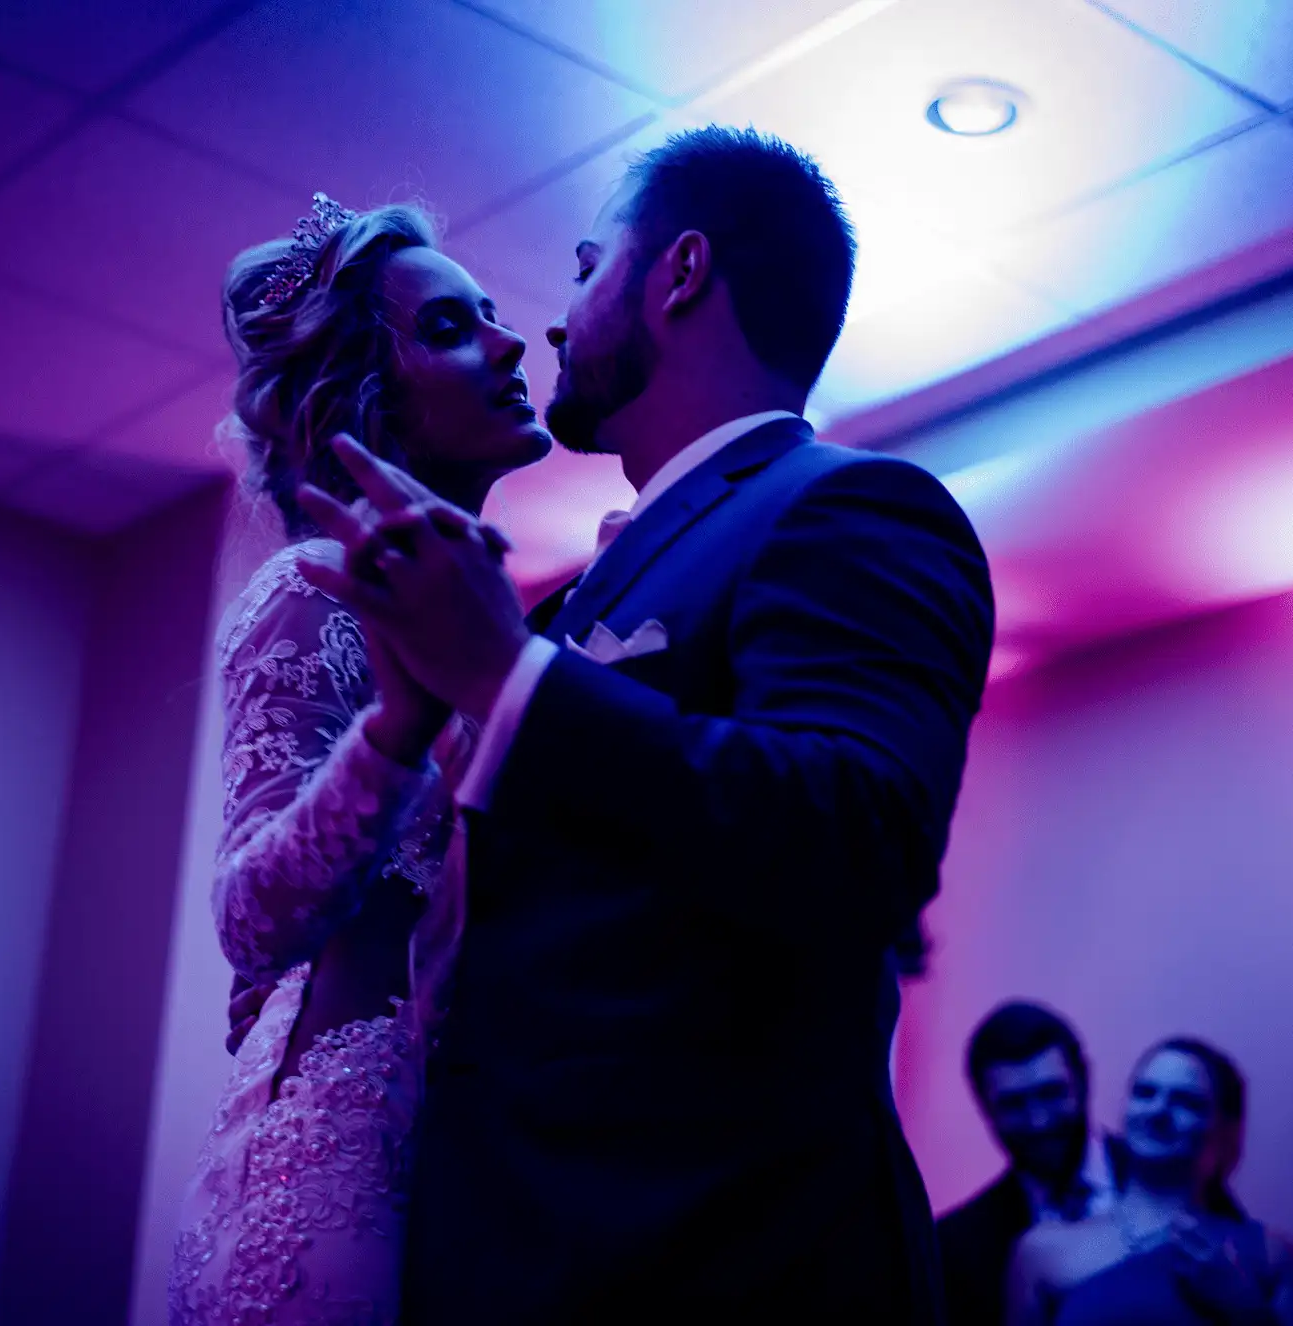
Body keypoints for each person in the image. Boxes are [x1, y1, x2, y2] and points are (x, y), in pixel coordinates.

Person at [296, 125, 996, 1323]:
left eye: (583, 265)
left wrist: (512, 679)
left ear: (675, 273)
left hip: (720, 1268)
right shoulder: (572, 596)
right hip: (520, 1258)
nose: (556, 321)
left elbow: (862, 833)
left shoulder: (851, 508)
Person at [166, 194, 551, 1326]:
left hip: (461, 1144)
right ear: (363, 401)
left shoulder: (484, 630)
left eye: (488, 315)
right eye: (447, 329)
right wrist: (396, 731)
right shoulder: (308, 591)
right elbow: (249, 917)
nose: (509, 341)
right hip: (344, 1157)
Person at [1007, 1039, 1293, 1326]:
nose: (1159, 1110)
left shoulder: (1271, 1256)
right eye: (1145, 1093)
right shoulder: (1044, 1251)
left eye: (1186, 1102)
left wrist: (1244, 1307)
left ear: (1226, 1129)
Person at [937, 1002, 1120, 1326]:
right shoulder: (956, 1245)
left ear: (1083, 1081)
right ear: (984, 1109)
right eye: (1013, 1104)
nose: (1038, 1121)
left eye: (1051, 1093)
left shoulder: (1175, 1182)